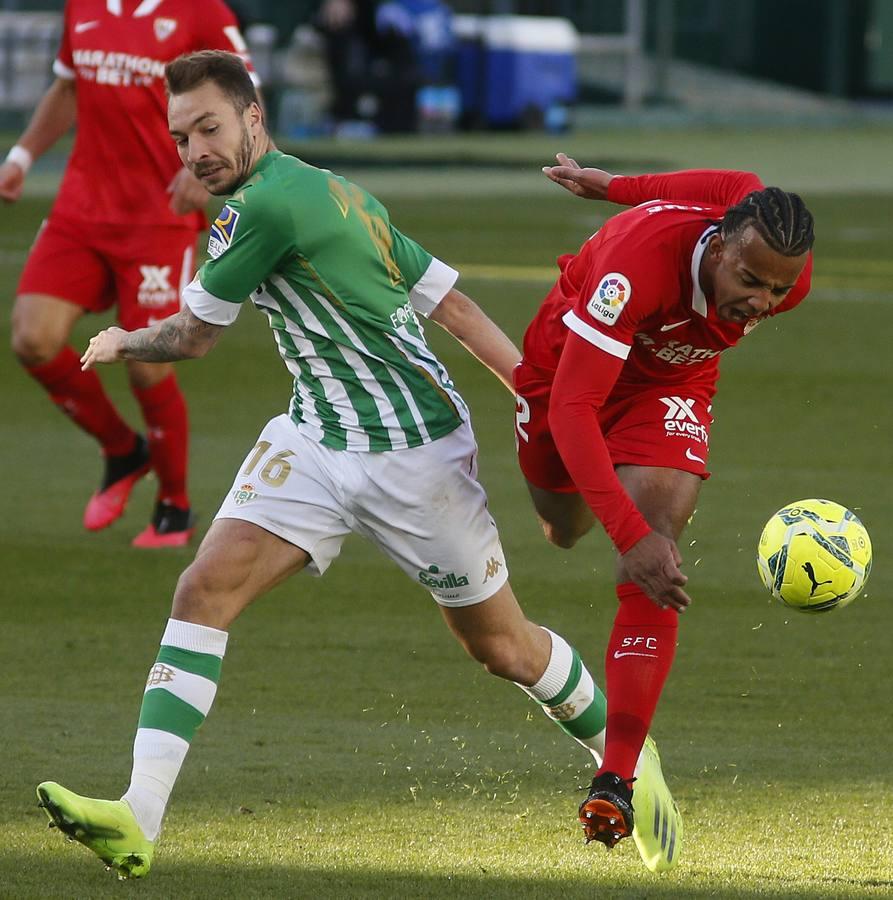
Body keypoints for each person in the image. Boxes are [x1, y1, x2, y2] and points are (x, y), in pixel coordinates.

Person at [35, 52, 680, 879]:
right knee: (204, 586)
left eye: (209, 128)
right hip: (314, 438)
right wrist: (535, 391)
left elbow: (194, 336)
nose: (194, 150)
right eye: (181, 135)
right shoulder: (336, 190)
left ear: (253, 118)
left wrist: (124, 337)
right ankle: (137, 816)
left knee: (505, 651)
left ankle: (628, 757)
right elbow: (450, 302)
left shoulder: (261, 207)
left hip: (415, 456)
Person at [515, 154, 814, 848]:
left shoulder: (769, 256)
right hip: (568, 371)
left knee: (658, 544)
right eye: (748, 280)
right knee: (563, 527)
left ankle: (614, 777)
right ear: (717, 242)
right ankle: (595, 489)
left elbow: (716, 182)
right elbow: (573, 406)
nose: (762, 303)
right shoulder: (634, 269)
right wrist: (622, 531)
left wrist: (610, 184)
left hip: (669, 383)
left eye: (777, 288)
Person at [0, 0, 258, 547]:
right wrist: (21, 157)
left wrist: (208, 168)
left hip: (158, 213)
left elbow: (245, 98)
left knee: (147, 362)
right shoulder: (83, 6)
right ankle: (123, 450)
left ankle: (174, 506)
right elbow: (68, 88)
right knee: (32, 338)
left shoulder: (199, 11)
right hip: (82, 206)